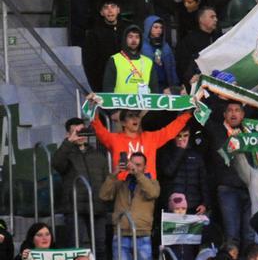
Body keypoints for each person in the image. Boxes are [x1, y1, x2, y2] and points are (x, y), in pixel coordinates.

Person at [87, 96, 192, 180]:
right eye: (130, 115)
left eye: (137, 115)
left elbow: (170, 130)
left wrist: (187, 113)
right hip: (124, 189)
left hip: (146, 189)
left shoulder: (150, 138)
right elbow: (98, 129)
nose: (135, 118)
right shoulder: (114, 139)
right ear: (123, 122)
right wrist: (92, 105)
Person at [52, 118, 109, 259]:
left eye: (83, 131)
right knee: (76, 246)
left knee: (100, 246)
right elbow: (56, 163)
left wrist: (106, 202)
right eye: (76, 132)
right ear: (68, 134)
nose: (81, 134)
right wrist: (68, 142)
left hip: (97, 206)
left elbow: (106, 180)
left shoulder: (98, 155)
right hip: (74, 207)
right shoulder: (67, 153)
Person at [204, 100, 253, 249]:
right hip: (227, 190)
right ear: (224, 114)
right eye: (230, 110)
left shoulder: (251, 133)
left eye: (237, 110)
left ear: (243, 115)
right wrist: (216, 96)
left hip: (250, 189)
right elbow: (202, 115)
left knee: (250, 234)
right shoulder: (215, 129)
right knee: (232, 236)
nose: (233, 113)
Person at [99, 151, 160, 260]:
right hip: (121, 233)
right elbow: (103, 195)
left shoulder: (152, 182)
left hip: (142, 234)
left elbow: (153, 193)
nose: (134, 167)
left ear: (145, 167)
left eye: (138, 165)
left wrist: (137, 174)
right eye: (132, 164)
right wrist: (114, 174)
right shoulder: (121, 183)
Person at [157, 125, 211, 217]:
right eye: (179, 136)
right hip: (173, 205)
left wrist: (205, 203)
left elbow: (203, 181)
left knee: (192, 232)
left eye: (185, 136)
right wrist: (180, 151)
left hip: (193, 205)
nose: (182, 139)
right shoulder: (166, 152)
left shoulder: (196, 154)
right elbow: (168, 172)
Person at [84, 0, 132, 90]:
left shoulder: (128, 30)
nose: (110, 11)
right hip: (103, 83)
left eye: (113, 7)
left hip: (127, 80)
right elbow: (90, 64)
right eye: (106, 8)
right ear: (101, 12)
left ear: (118, 10)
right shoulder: (94, 34)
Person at [102, 24, 161, 94]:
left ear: (140, 40)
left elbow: (154, 89)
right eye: (130, 37)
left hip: (143, 104)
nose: (134, 40)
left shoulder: (148, 62)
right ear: (125, 39)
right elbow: (107, 89)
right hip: (120, 104)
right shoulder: (114, 60)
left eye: (137, 37)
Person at [175, 7, 223, 87]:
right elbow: (183, 64)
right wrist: (189, 78)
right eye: (212, 17)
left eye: (216, 17)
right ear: (201, 19)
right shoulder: (189, 40)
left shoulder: (219, 38)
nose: (216, 19)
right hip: (196, 83)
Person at [142, 16, 181, 94]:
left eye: (161, 27)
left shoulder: (165, 46)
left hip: (165, 88)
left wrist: (175, 86)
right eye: (155, 27)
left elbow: (172, 67)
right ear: (148, 28)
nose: (159, 30)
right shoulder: (141, 46)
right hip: (147, 87)